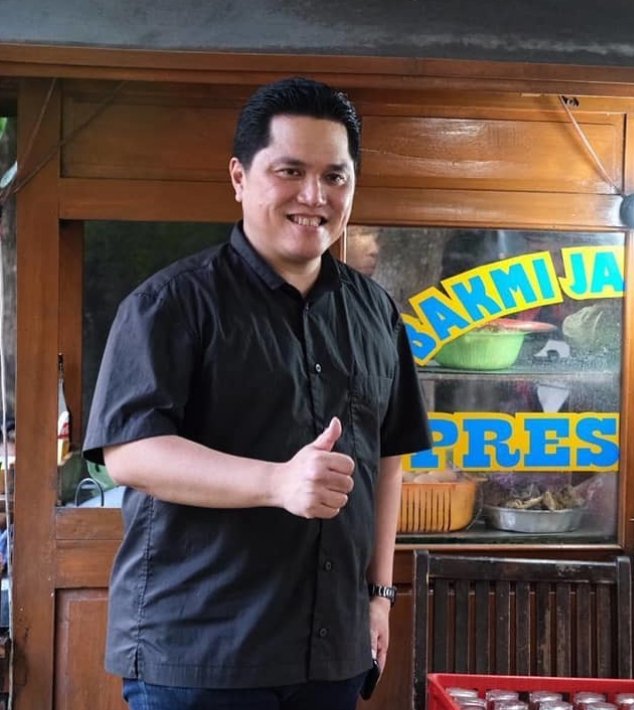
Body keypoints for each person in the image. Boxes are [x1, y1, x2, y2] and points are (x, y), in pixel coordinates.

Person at [83, 77, 431, 710]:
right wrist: (276, 482)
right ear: (240, 178)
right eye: (290, 171)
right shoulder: (171, 304)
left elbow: (388, 457)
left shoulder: (376, 311)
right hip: (202, 652)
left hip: (331, 651)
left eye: (335, 176)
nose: (314, 196)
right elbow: (130, 454)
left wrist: (379, 596)